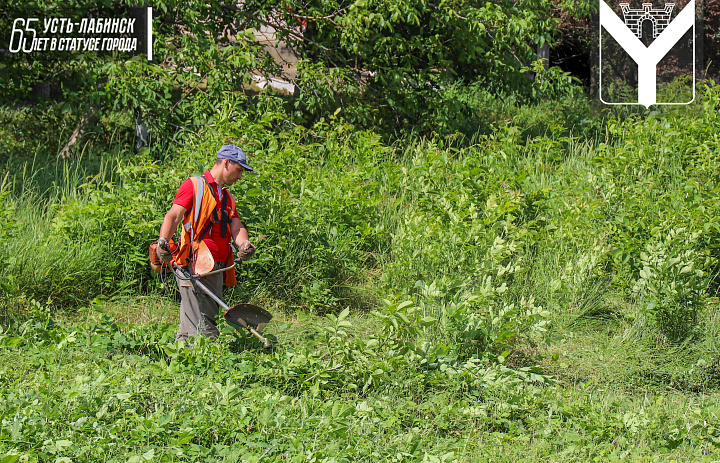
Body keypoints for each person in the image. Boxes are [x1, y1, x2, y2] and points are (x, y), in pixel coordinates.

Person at [156, 144, 256, 342]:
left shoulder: (228, 197)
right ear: (226, 163)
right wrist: (163, 242)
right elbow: (174, 216)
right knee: (204, 325)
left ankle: (181, 362)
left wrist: (244, 244)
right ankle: (209, 362)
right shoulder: (193, 185)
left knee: (191, 324)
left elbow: (236, 226)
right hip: (194, 264)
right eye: (239, 170)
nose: (240, 177)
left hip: (216, 267)